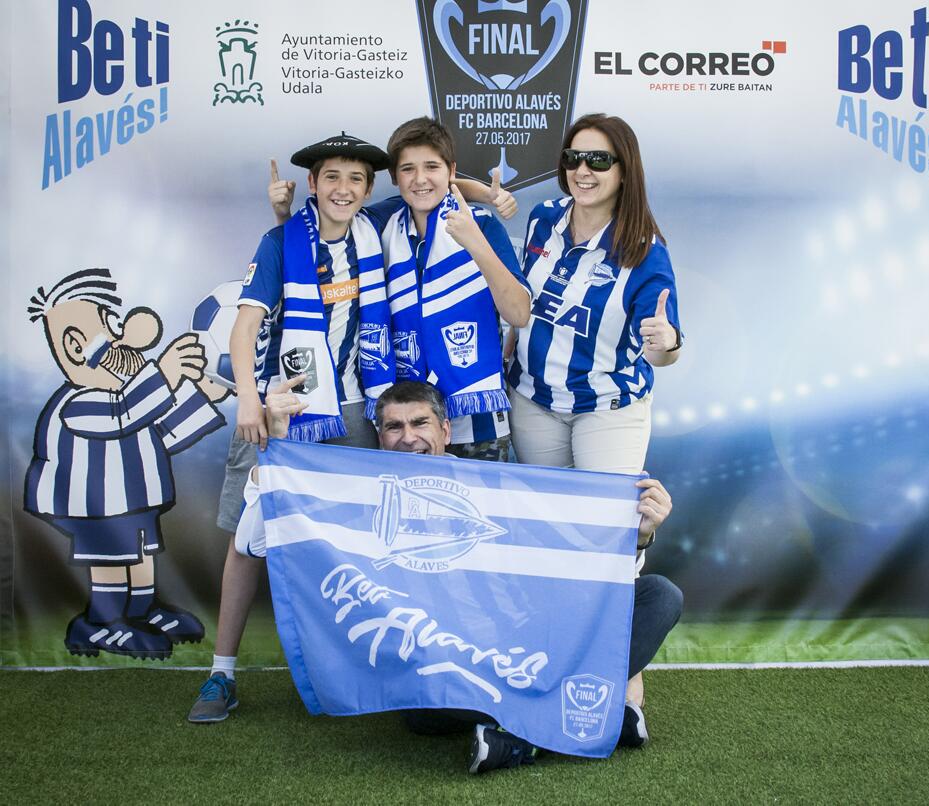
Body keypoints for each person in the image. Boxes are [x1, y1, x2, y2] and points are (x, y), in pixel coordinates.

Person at [256, 379, 683, 774]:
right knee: (421, 711)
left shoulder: (498, 484)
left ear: (445, 429)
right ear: (378, 436)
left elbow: (575, 567)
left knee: (660, 595)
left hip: (528, 642)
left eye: (420, 422)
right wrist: (278, 440)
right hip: (443, 663)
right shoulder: (358, 495)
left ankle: (522, 739)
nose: (408, 437)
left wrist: (640, 537)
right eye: (393, 427)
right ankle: (580, 717)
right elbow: (271, 533)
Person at [188, 132, 398, 722]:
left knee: (360, 540)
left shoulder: (378, 230)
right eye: (331, 177)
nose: (343, 189)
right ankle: (220, 674)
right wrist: (250, 403)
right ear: (312, 184)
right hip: (285, 406)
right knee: (247, 540)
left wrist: (486, 194)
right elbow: (242, 330)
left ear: (369, 189)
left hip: (358, 405)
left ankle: (361, 668)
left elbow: (427, 184)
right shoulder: (280, 240)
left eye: (356, 179)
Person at [506, 113, 683, 706]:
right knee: (549, 543)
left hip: (608, 408)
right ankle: (545, 670)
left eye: (599, 160)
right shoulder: (543, 220)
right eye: (575, 158)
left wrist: (665, 344)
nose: (583, 170)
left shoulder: (645, 251)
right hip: (534, 399)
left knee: (609, 545)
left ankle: (624, 695)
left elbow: (667, 345)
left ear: (624, 170)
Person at [271, 117, 531, 463]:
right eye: (407, 169)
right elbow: (323, 227)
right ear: (394, 178)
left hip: (476, 422)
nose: (420, 179)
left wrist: (475, 239)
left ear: (451, 170)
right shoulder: (381, 223)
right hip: (405, 426)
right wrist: (282, 213)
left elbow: (519, 313)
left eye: (432, 167)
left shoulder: (481, 225)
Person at [24, 268, 228, 659]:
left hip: (134, 501)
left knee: (139, 553)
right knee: (112, 557)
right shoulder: (79, 402)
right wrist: (165, 374)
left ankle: (141, 610)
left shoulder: (126, 397)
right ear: (75, 345)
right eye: (112, 325)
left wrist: (202, 395)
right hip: (94, 506)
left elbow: (163, 432)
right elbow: (124, 413)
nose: (127, 338)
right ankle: (102, 623)